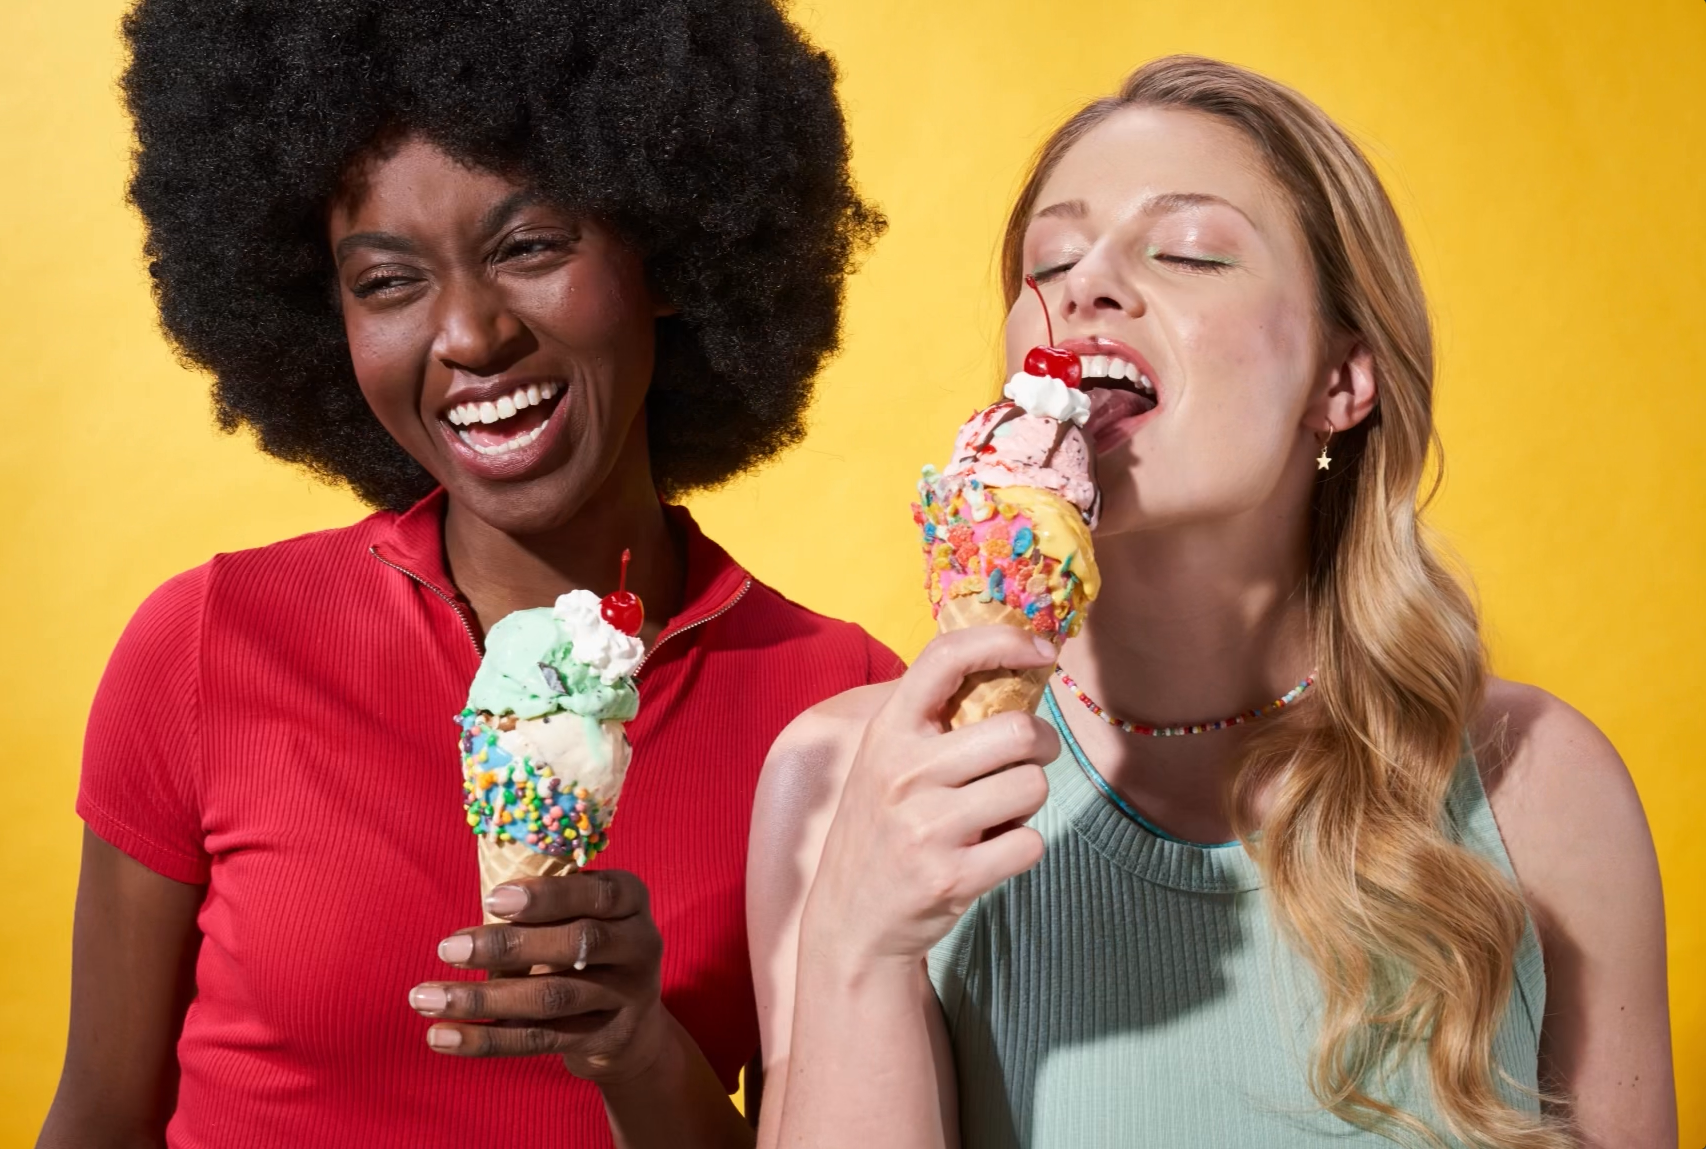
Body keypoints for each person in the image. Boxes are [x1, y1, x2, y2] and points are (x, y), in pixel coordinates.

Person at [749, 56, 1676, 1149]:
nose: (1086, 281)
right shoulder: (846, 784)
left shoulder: (1538, 789)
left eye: (1187, 251)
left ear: (1341, 381)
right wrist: (859, 943)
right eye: (1051, 260)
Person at [39, 1, 900, 1146]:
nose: (469, 336)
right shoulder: (209, 644)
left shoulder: (838, 706)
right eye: (388, 281)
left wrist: (637, 1051)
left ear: (671, 247)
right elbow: (96, 1122)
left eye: (529, 247)